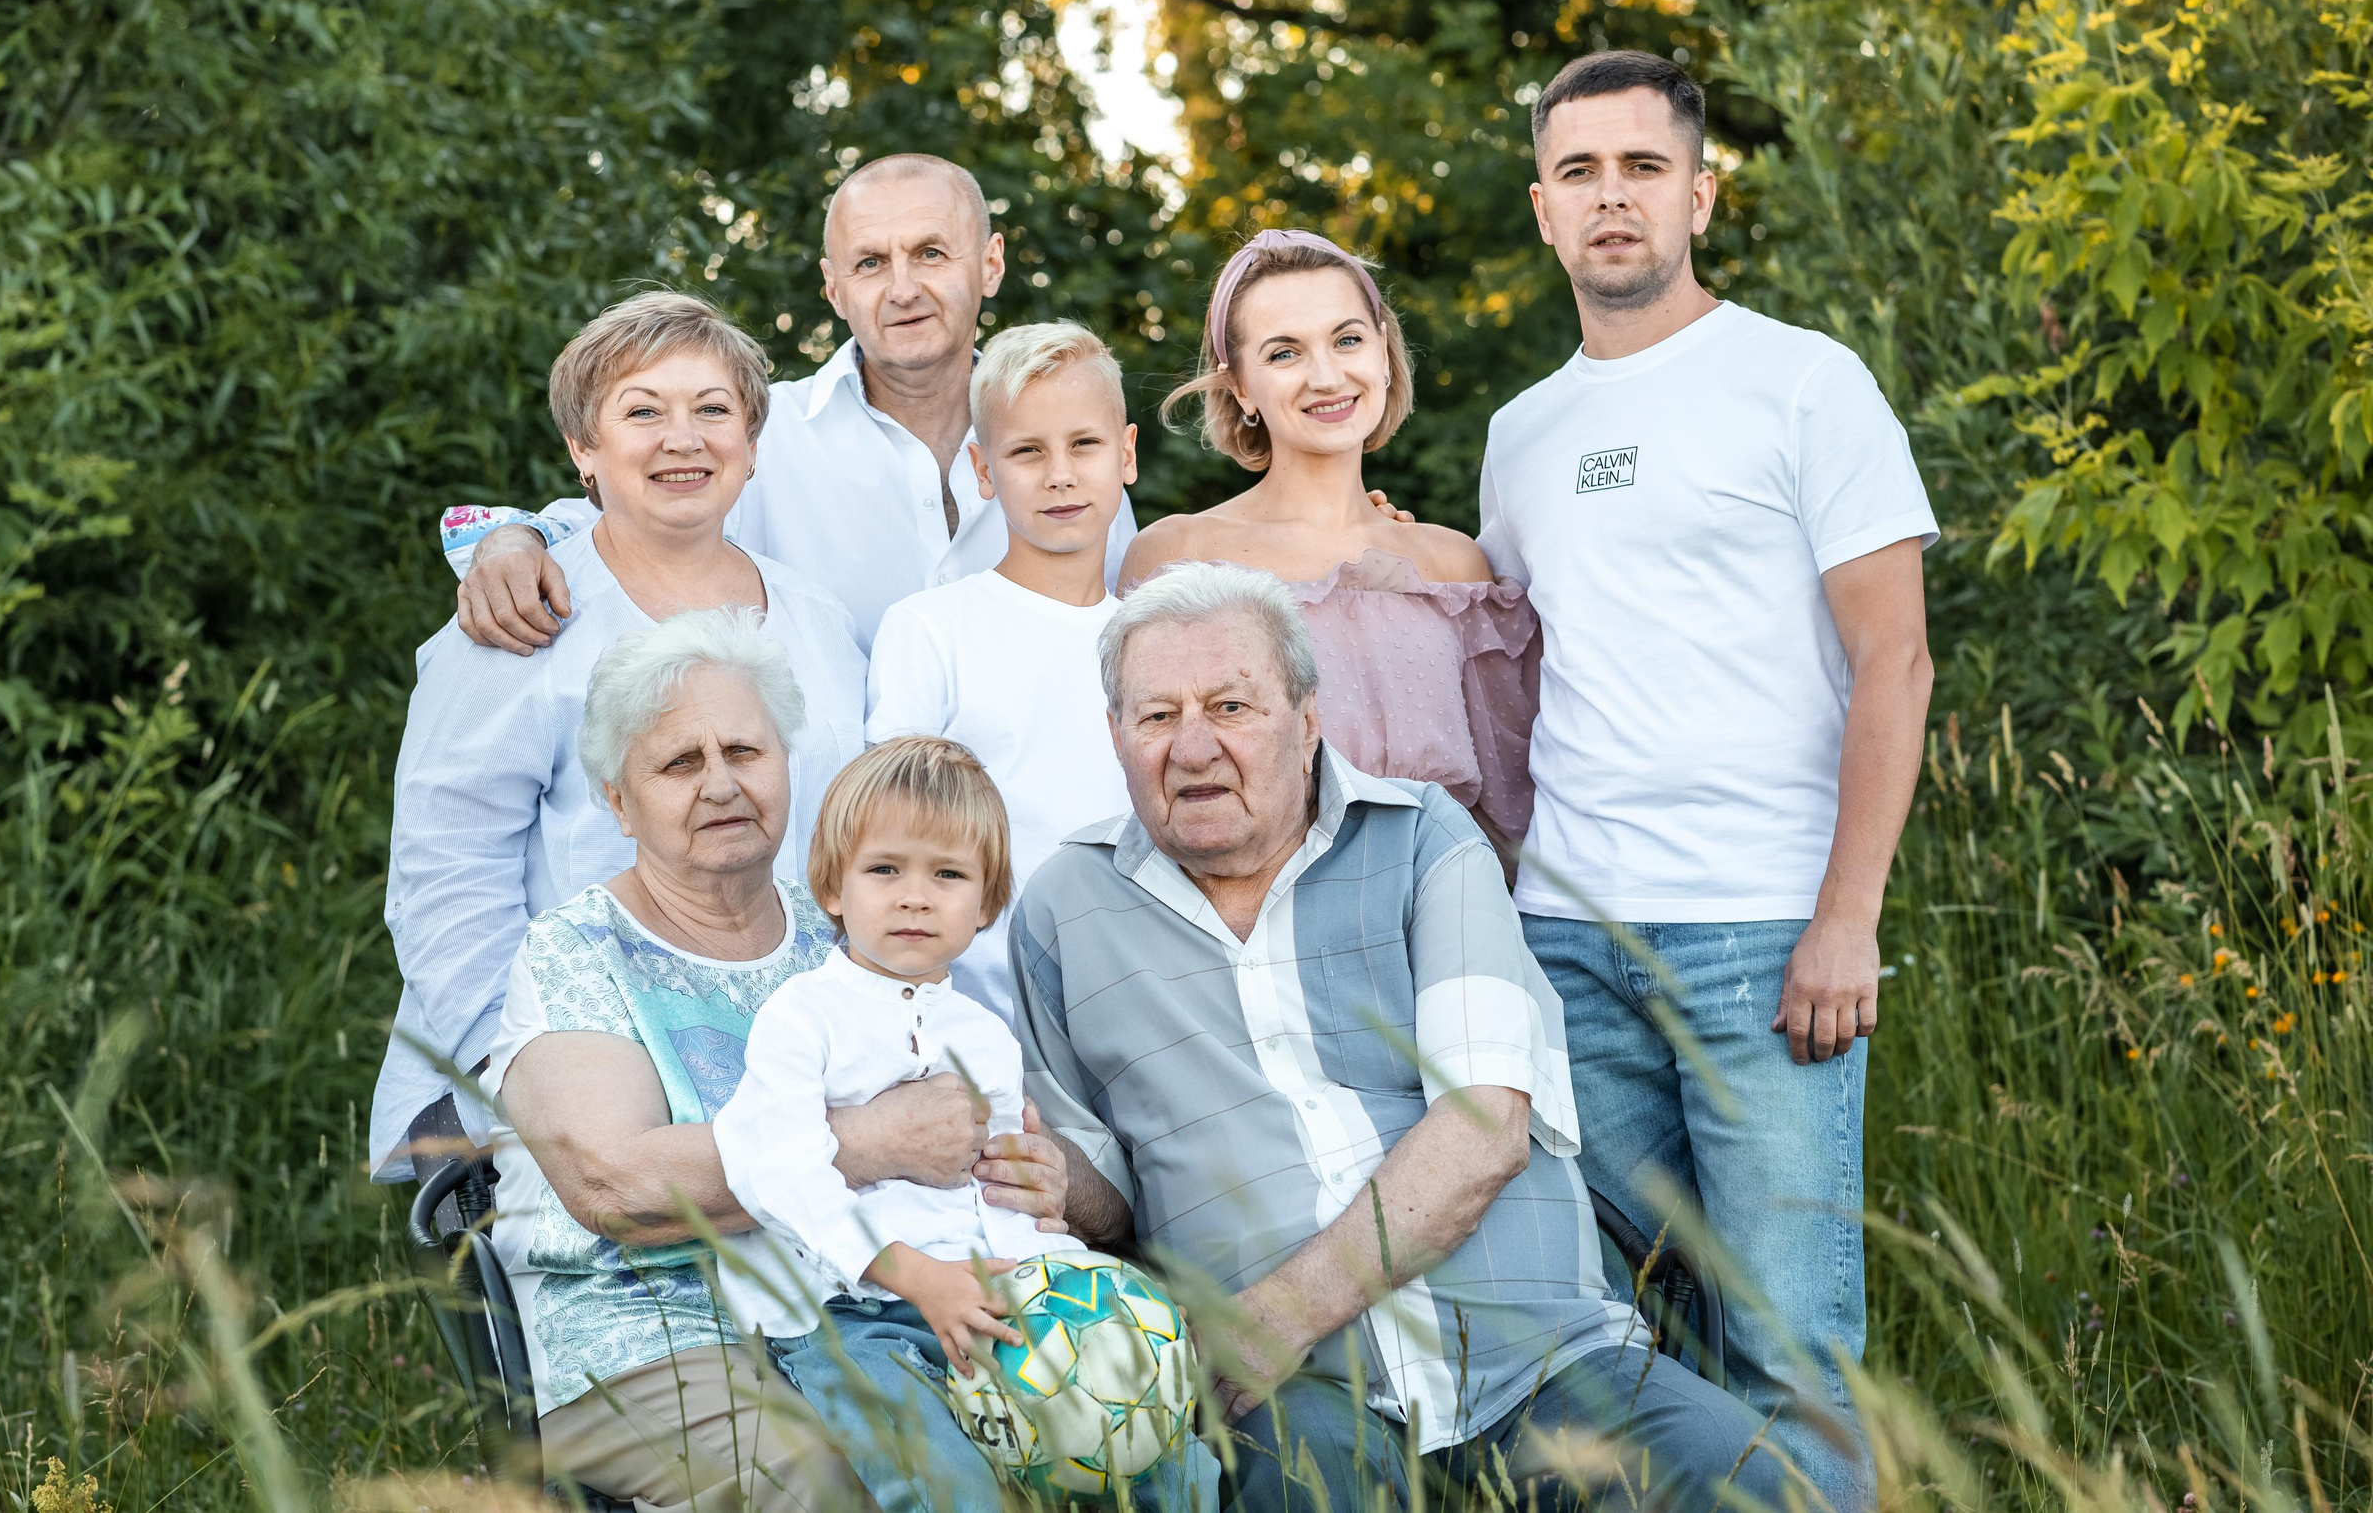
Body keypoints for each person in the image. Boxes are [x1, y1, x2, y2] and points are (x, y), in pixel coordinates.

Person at [1010, 563, 1797, 1511]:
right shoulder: (1063, 909)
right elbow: (1108, 1208)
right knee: (1304, 1489)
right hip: (1294, 1395)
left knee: (1750, 1481)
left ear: (1307, 718)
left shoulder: (1424, 838)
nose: (1193, 746)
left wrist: (1278, 1315)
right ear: (1115, 735)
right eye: (1157, 716)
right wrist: (1046, 1172)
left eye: (1230, 706)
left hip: (1537, 1355)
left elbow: (1483, 1126)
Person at [1482, 48, 1937, 1508]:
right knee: (1624, 1339)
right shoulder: (1519, 434)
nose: (1610, 196)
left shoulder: (1802, 381)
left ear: (1700, 194)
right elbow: (1519, 674)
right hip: (1567, 941)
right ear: (1543, 209)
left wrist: (1847, 917)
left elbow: (1896, 662)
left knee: (1790, 1343)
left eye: (1642, 166)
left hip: (1763, 938)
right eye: (1579, 171)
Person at [484, 611, 1074, 1509]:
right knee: (827, 1482)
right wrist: (868, 1140)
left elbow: (964, 1123)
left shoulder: (851, 928)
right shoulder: (577, 951)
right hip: (651, 1336)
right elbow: (616, 1183)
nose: (720, 783)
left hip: (870, 1313)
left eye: (744, 751)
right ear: (618, 801)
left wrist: (1028, 1173)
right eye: (680, 763)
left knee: (1090, 1425)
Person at [370, 289, 865, 1187]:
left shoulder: (820, 620)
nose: (683, 438)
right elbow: (446, 868)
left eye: (712, 409)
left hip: (793, 1068)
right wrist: (523, 1069)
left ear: (751, 443)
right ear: (583, 450)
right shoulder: (522, 620)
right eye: (643, 412)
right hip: (587, 1077)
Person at [714, 736, 1215, 1512]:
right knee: (950, 1483)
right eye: (886, 869)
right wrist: (919, 1277)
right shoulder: (802, 1017)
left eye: (947, 874)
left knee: (1161, 1448)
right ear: (833, 885)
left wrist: (1082, 1285)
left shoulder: (983, 1034)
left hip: (993, 1295)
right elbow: (775, 1172)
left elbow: (1000, 1195)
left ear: (985, 903)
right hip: (858, 1313)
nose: (915, 896)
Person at [441, 154, 1137, 657]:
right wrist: (516, 541)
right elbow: (619, 521)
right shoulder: (754, 437)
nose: (902, 289)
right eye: (870, 263)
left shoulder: (1070, 449)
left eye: (930, 253)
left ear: (990, 263)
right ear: (834, 289)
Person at [1120, 229, 1537, 870]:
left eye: (1347, 340)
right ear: (1240, 386)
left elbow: (1509, 803)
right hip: (1245, 906)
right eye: (1284, 353)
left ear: (1384, 352)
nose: (1326, 376)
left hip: (1440, 899)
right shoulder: (1179, 555)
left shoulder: (1452, 569)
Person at [861, 320, 1138, 1022]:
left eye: (1085, 444)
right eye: (1027, 451)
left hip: (1141, 997)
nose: (1060, 474)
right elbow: (895, 835)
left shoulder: (1153, 641)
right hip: (979, 1011)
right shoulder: (931, 628)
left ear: (1127, 454)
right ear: (983, 470)